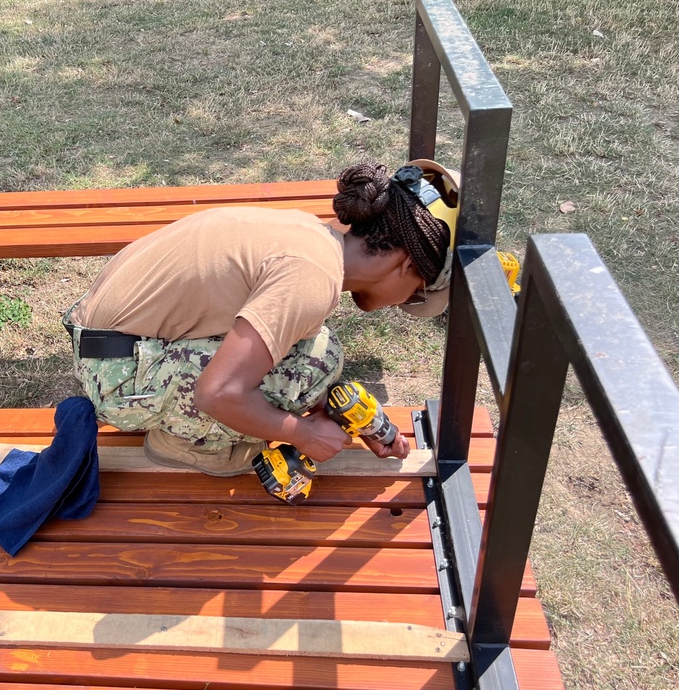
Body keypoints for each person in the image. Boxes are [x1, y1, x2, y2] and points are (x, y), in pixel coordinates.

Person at [62, 159, 460, 476]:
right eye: (418, 293)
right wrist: (303, 434)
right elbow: (217, 393)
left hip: (111, 342)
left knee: (318, 355)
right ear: (406, 264)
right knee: (311, 365)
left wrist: (327, 408)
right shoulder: (311, 276)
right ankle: (185, 446)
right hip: (116, 377)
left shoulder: (311, 237)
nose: (405, 302)